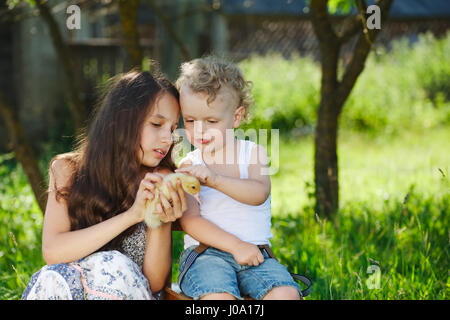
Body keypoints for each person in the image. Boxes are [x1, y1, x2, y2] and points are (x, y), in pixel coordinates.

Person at [22, 70, 189, 300]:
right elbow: (53, 251)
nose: (167, 138)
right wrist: (132, 215)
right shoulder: (67, 170)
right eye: (157, 124)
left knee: (114, 265)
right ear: (122, 121)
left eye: (172, 129)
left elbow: (153, 282)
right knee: (53, 276)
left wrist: (160, 219)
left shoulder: (158, 180)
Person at [174, 56, 302, 300]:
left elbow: (258, 194)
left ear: (236, 116)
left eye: (211, 121)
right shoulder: (189, 164)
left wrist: (214, 180)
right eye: (190, 121)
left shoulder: (254, 154)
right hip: (205, 256)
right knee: (219, 298)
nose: (199, 130)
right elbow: (190, 222)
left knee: (286, 294)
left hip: (256, 255)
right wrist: (235, 246)